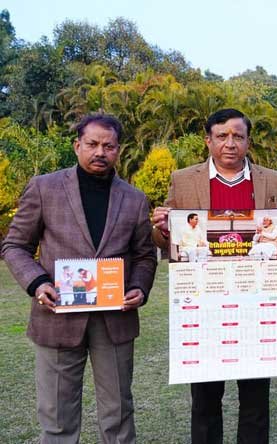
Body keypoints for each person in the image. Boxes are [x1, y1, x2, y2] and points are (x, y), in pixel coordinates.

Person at [151, 108, 277, 444]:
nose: (230, 143)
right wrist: (163, 228)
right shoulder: (183, 179)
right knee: (205, 398)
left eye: (238, 136)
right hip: (204, 302)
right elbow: (168, 241)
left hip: (257, 301)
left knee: (255, 398)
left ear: (248, 141)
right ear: (208, 141)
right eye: (222, 136)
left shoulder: (273, 180)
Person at [1, 113, 157, 443]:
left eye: (108, 146)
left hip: (115, 318)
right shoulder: (44, 188)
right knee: (57, 418)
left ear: (118, 150)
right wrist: (37, 283)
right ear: (77, 146)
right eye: (92, 144)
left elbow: (144, 255)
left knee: (118, 415)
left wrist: (139, 288)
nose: (100, 152)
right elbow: (14, 246)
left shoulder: (134, 198)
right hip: (57, 315)